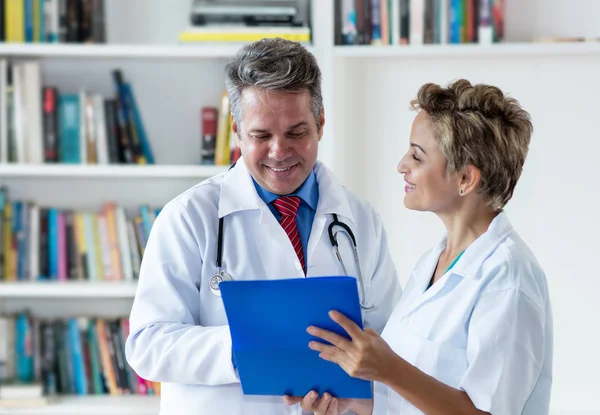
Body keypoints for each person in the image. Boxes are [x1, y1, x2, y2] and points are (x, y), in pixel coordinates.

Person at [124, 38, 403, 415]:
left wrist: (354, 394)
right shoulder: (188, 218)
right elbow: (147, 345)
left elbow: (388, 342)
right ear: (237, 132)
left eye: (296, 132)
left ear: (320, 124)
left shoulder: (360, 221)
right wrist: (245, 348)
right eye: (261, 136)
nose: (279, 151)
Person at [287, 79, 553, 414]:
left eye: (417, 155)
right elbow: (410, 398)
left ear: (466, 179)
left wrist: (387, 368)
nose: (402, 165)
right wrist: (346, 400)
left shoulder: (508, 280)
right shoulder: (434, 263)